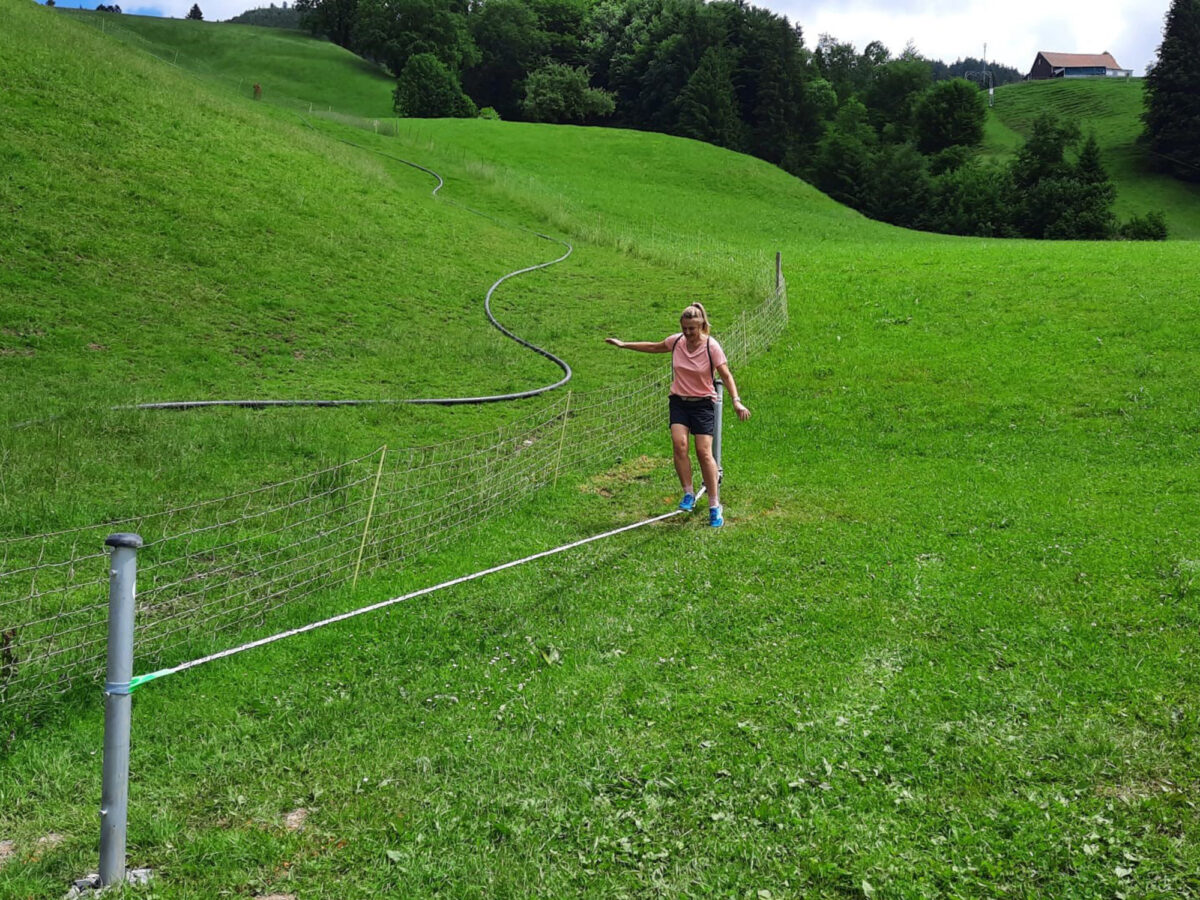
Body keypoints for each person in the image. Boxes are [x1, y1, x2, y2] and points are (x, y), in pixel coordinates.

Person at [606, 302, 750, 527]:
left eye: (692, 329)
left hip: (703, 404)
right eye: (684, 328)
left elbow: (726, 375)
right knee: (679, 445)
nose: (688, 333)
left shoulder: (711, 346)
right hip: (679, 402)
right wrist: (624, 345)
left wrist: (736, 401)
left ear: (701, 326)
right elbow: (654, 347)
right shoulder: (676, 342)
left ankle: (714, 505)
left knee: (703, 452)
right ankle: (688, 493)